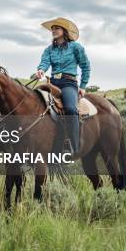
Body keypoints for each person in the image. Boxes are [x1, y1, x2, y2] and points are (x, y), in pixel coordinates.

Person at [36, 17, 90, 155]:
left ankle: (74, 146)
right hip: (53, 83)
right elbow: (44, 62)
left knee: (71, 109)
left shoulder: (76, 47)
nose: (53, 31)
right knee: (35, 102)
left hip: (68, 83)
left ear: (64, 31)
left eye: (57, 28)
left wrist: (83, 86)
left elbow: (85, 66)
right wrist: (41, 69)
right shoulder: (49, 49)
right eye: (52, 29)